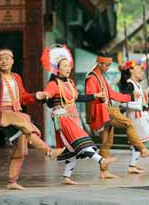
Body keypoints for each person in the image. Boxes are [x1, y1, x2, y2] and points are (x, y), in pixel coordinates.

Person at [0, 48, 64, 190]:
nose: (4, 62)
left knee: (22, 149)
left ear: (12, 61)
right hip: (3, 114)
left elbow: (23, 98)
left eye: (7, 59)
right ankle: (49, 152)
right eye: (0, 59)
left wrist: (35, 96)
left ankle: (12, 181)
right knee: (26, 125)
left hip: (17, 114)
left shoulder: (16, 77)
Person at [39, 45, 116, 185]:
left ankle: (66, 177)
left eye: (69, 66)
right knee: (81, 140)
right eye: (64, 66)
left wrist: (95, 96)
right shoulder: (53, 83)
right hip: (62, 118)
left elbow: (77, 97)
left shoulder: (70, 82)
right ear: (57, 69)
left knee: (74, 148)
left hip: (73, 117)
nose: (68, 68)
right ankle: (101, 160)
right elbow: (48, 98)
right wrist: (44, 96)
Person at [85, 53, 149, 179]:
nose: (107, 67)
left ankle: (104, 171)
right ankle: (142, 149)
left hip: (105, 111)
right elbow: (90, 95)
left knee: (107, 143)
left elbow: (112, 94)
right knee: (128, 123)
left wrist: (129, 97)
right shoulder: (92, 78)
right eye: (106, 65)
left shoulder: (100, 77)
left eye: (109, 65)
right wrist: (97, 97)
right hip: (104, 110)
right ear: (99, 63)